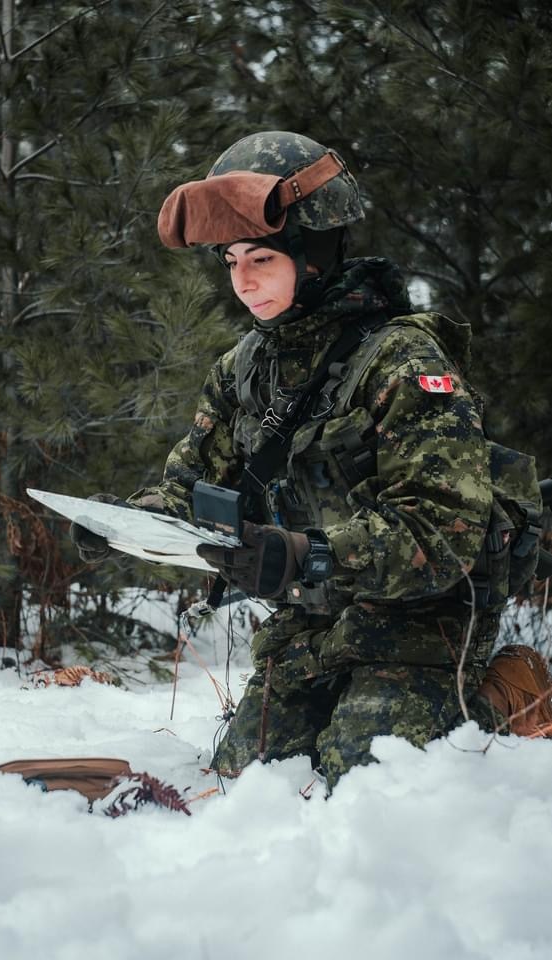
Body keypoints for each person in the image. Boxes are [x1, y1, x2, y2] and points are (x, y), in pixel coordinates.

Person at [71, 131, 516, 790]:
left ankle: (503, 697)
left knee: (357, 784)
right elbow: (193, 488)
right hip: (308, 625)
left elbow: (442, 532)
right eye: (230, 261)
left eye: (261, 258)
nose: (243, 281)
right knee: (243, 783)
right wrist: (124, 523)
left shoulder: (401, 361)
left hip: (419, 626)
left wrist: (306, 553)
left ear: (314, 254)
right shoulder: (245, 368)